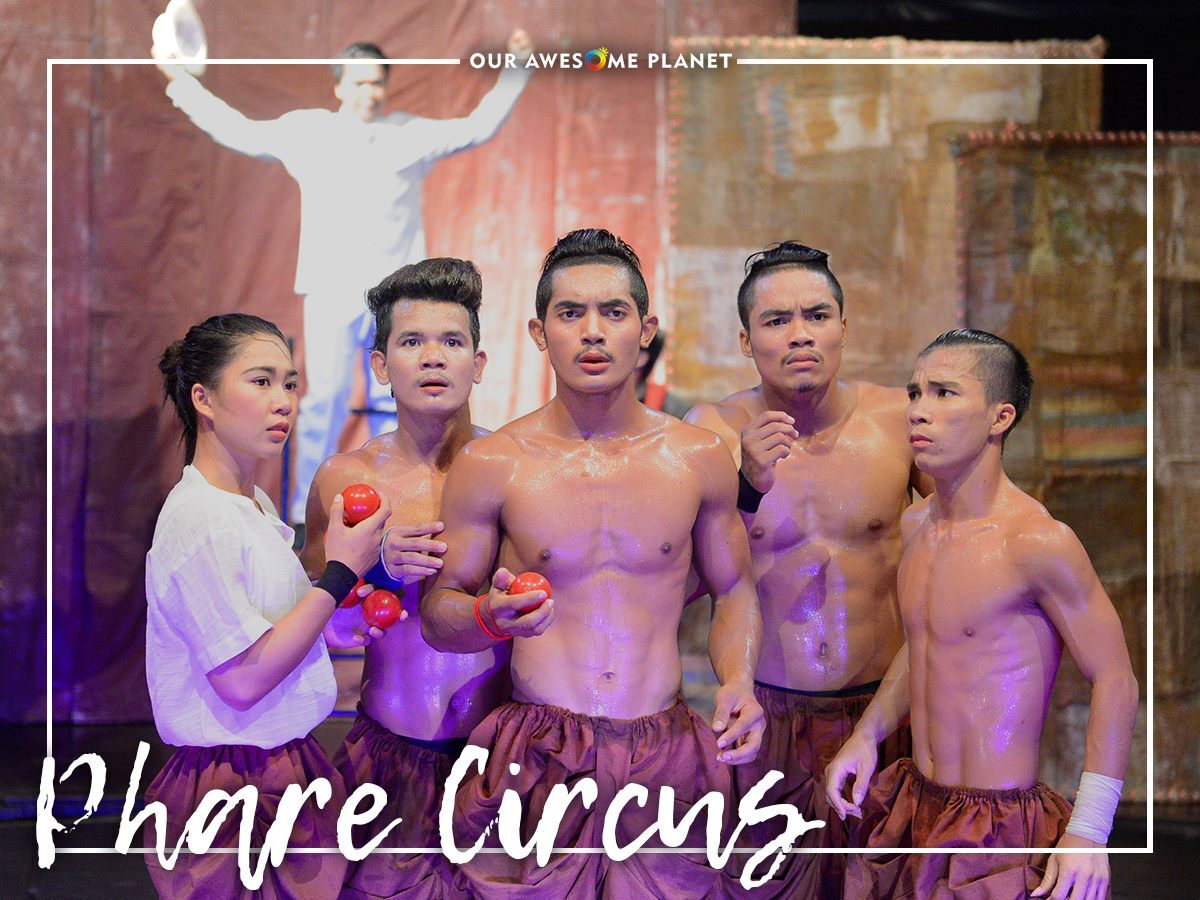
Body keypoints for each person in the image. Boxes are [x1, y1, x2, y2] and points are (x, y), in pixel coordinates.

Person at [420, 228, 766, 897]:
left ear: (646, 329)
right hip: (538, 747)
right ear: (539, 332)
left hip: (664, 747)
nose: (593, 331)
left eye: (614, 311)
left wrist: (738, 681)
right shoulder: (493, 462)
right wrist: (489, 616)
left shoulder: (697, 457)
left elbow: (734, 589)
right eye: (570, 312)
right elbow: (439, 612)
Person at [153, 31, 534, 522]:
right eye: (357, 83)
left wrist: (516, 68)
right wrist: (180, 83)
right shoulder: (309, 132)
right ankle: (303, 514)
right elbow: (237, 130)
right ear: (338, 87)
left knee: (398, 401)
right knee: (324, 402)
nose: (367, 92)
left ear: (386, 86)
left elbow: (478, 127)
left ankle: (404, 505)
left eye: (375, 83)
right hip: (331, 289)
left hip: (396, 300)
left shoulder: (408, 135)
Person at [825, 329, 1139, 899]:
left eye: (944, 393)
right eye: (915, 392)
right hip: (915, 807)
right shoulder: (917, 525)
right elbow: (925, 644)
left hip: (999, 828)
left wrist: (1091, 829)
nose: (918, 410)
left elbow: (1116, 678)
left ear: (1000, 417)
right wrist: (867, 734)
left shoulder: (1037, 541)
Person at [684, 241, 925, 896]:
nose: (800, 335)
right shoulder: (712, 430)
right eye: (776, 320)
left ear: (844, 325)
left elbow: (958, 560)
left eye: (817, 315)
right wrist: (746, 488)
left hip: (889, 712)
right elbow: (682, 587)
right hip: (769, 716)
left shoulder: (899, 421)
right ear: (746, 339)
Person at [143, 313, 390, 897]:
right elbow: (242, 679)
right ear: (203, 398)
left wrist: (336, 622)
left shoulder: (249, 503)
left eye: (290, 383)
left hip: (284, 766)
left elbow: (271, 633)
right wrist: (339, 574)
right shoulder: (200, 519)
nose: (283, 401)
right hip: (229, 786)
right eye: (260, 381)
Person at [299, 258, 509, 898]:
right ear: (381, 365)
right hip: (388, 756)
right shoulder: (343, 478)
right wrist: (370, 568)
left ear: (478, 363)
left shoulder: (518, 470)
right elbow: (311, 618)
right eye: (412, 341)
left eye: (452, 342)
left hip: (504, 760)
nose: (433, 357)